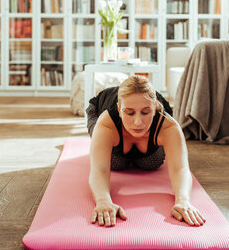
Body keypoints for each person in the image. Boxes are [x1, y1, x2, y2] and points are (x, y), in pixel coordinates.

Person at [86, 75, 206, 228]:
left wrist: (183, 201)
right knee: (115, 162)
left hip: (152, 131)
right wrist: (103, 201)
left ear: (155, 107)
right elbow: (99, 170)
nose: (138, 122)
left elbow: (180, 169)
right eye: (129, 113)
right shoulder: (106, 122)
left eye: (145, 112)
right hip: (102, 108)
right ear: (119, 109)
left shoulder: (168, 126)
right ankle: (107, 141)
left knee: (152, 162)